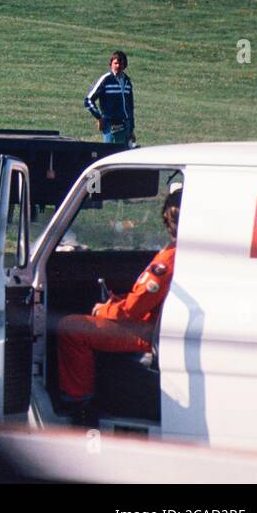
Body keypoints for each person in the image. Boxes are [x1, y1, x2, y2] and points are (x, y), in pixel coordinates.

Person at [54, 189, 181, 425]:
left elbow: (131, 311)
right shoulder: (181, 255)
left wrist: (103, 310)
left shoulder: (168, 261)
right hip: (153, 326)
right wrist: (116, 302)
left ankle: (80, 406)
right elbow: (139, 300)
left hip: (147, 332)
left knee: (70, 328)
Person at [84, 50, 135, 145]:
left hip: (126, 126)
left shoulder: (127, 81)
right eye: (115, 63)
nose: (118, 66)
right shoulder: (106, 80)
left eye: (121, 63)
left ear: (125, 65)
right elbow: (88, 100)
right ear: (111, 64)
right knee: (110, 154)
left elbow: (130, 107)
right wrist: (99, 117)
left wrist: (131, 128)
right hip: (111, 126)